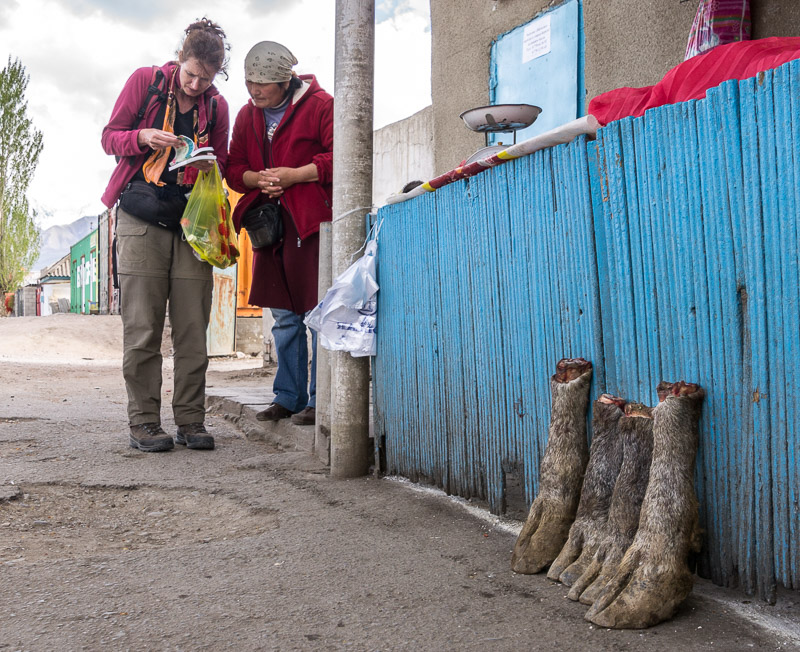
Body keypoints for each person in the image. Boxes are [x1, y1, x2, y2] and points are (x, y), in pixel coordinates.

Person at [100, 18, 230, 452]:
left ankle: (191, 421)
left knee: (193, 329)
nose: (196, 85)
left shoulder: (217, 107)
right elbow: (109, 138)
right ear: (180, 59)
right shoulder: (146, 82)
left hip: (192, 223)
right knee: (143, 328)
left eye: (206, 79)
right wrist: (142, 136)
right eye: (191, 74)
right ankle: (144, 423)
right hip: (141, 218)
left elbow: (223, 159)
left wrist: (210, 163)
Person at [225, 41, 333, 427]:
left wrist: (295, 175)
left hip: (310, 225)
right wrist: (258, 179)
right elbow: (233, 168)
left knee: (319, 314)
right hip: (270, 229)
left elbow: (341, 156)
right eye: (249, 82)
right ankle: (288, 397)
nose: (254, 91)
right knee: (284, 317)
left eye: (263, 85)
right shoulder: (247, 116)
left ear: (285, 82)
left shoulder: (321, 106)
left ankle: (320, 401)